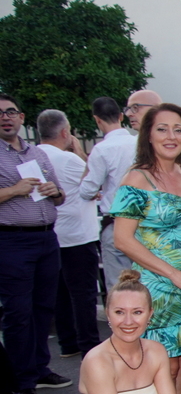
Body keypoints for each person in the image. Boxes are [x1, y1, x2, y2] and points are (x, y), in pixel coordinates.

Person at [112, 103, 181, 394]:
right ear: (149, 135)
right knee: (164, 367)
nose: (171, 136)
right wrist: (173, 274)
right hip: (158, 289)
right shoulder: (136, 179)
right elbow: (122, 239)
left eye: (178, 130)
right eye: (162, 129)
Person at [0, 94, 68, 394]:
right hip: (12, 240)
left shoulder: (37, 153)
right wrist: (14, 190)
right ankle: (20, 380)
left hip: (46, 238)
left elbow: (59, 196)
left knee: (43, 307)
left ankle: (40, 368)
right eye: (0, 113)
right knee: (18, 311)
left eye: (11, 112)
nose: (6, 117)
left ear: (22, 117)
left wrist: (56, 191)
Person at [38, 109, 101, 359]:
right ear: (65, 132)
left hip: (53, 233)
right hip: (78, 235)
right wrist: (79, 153)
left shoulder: (34, 155)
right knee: (83, 293)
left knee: (59, 293)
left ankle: (67, 342)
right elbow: (94, 184)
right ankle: (89, 343)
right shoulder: (68, 159)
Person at [81, 96, 138, 289]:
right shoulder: (139, 143)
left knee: (119, 285)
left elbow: (87, 190)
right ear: (121, 116)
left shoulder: (101, 150)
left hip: (116, 222)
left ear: (97, 119)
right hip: (144, 221)